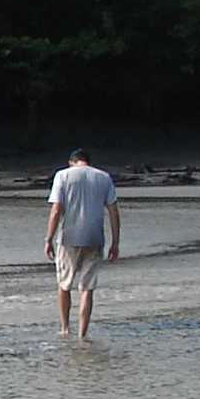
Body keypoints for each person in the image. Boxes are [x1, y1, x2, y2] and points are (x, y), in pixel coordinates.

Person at [41, 145, 120, 339]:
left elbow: (57, 210)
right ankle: (82, 333)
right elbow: (113, 212)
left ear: (71, 162)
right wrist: (115, 242)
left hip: (69, 238)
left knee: (64, 285)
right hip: (95, 237)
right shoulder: (103, 177)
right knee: (87, 288)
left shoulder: (63, 176)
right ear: (88, 162)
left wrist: (48, 239)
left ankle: (65, 328)